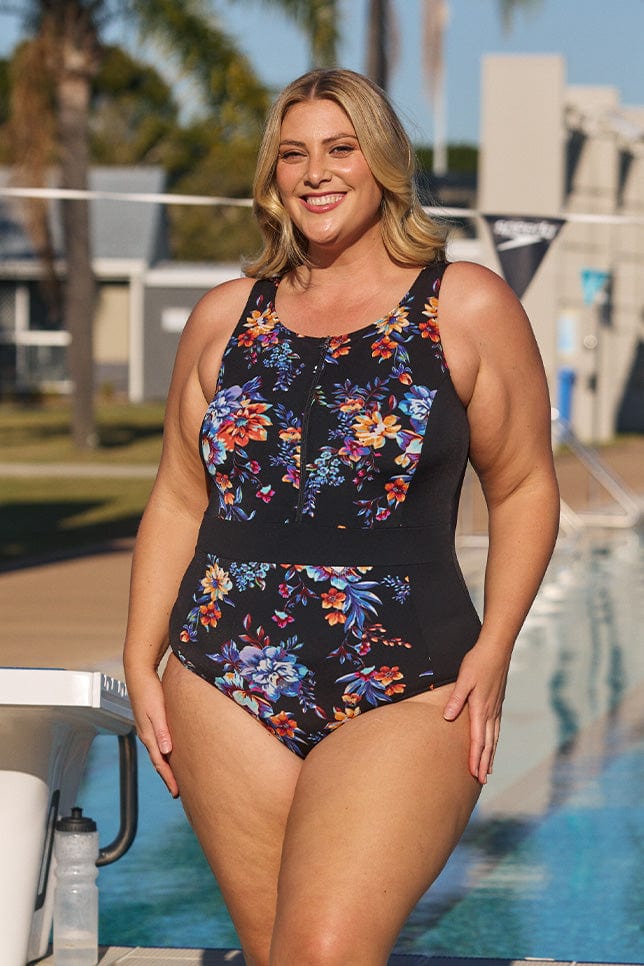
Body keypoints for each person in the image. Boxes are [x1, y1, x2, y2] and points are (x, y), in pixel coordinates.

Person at [123, 68, 560, 966]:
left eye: (339, 148)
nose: (315, 172)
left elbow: (523, 488)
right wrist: (140, 654)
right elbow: (177, 492)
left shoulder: (466, 305)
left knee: (325, 950)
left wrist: (496, 647)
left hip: (411, 678)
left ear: (383, 164)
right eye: (293, 154)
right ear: (272, 176)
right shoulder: (221, 320)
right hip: (221, 675)